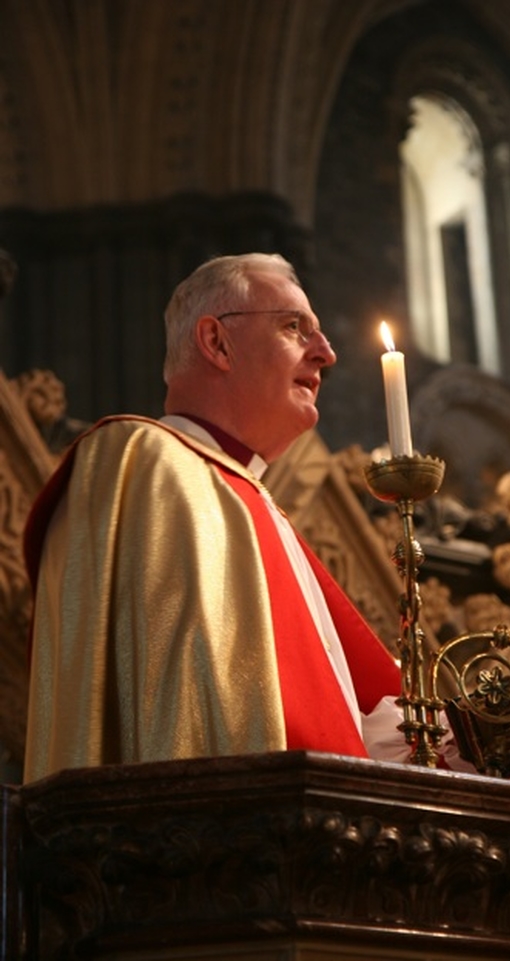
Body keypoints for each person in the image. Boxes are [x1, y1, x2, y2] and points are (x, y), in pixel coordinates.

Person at [24, 252, 432, 783]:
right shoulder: (140, 461)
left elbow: (354, 727)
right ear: (216, 343)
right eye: (294, 327)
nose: (326, 354)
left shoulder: (255, 504)